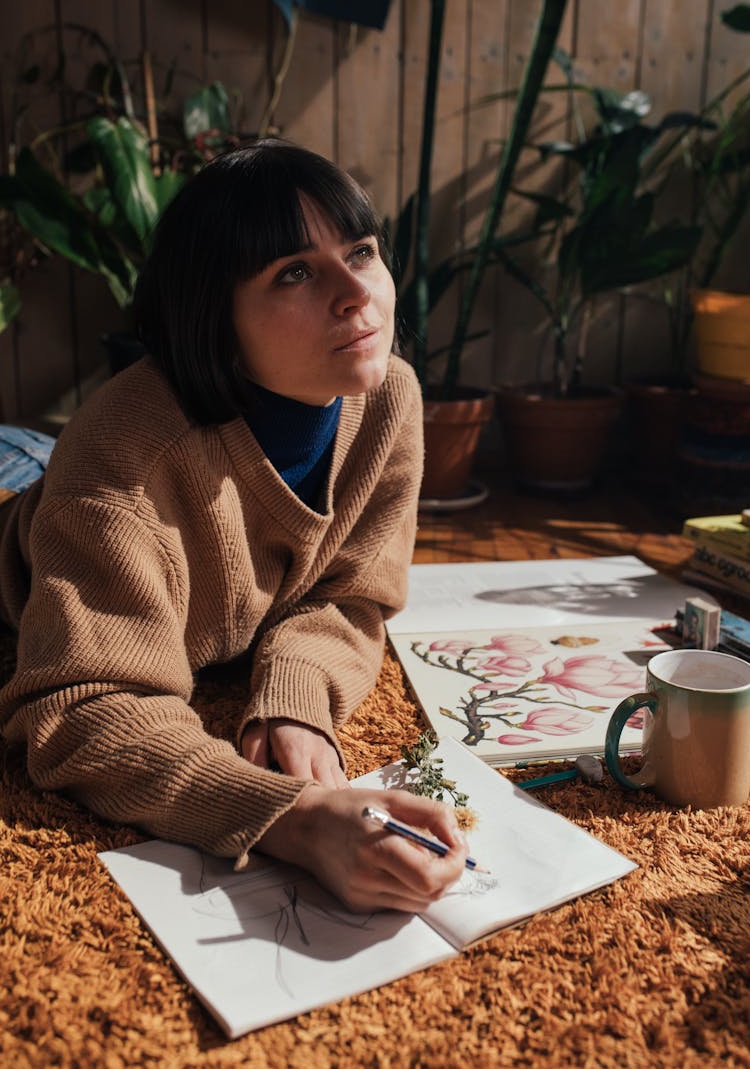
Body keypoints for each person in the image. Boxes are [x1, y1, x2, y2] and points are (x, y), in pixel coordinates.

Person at [0, 140, 467, 913]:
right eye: (294, 272)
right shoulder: (120, 459)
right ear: (215, 317)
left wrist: (294, 692)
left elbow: (352, 593)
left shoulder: (391, 400)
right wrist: (296, 815)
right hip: (30, 491)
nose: (358, 293)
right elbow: (82, 709)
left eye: (360, 251)